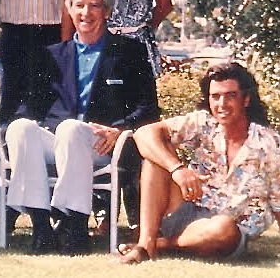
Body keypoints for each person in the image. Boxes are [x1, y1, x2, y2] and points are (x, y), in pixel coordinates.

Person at [4, 0, 159, 254]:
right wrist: (16, 121)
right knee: (20, 129)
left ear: (108, 10)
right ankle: (41, 228)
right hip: (60, 141)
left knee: (72, 129)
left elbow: (148, 109)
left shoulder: (128, 52)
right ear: (69, 8)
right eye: (79, 4)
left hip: (104, 143)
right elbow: (30, 105)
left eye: (95, 5)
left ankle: (74, 225)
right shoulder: (51, 55)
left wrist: (121, 129)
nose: (86, 12)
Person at [120, 62, 280, 264]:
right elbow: (143, 134)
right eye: (215, 97)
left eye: (230, 95)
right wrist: (177, 169)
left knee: (223, 227)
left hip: (226, 231)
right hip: (185, 209)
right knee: (157, 154)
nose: (222, 104)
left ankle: (158, 245)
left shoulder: (269, 144)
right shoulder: (204, 123)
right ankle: (145, 244)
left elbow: (278, 203)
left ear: (246, 99)